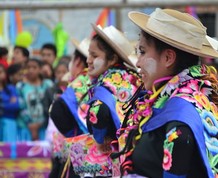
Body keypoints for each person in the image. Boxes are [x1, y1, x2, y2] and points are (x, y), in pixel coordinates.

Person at [111, 8, 218, 178]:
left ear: (168, 58)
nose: (137, 62)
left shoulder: (180, 120)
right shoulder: (188, 100)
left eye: (143, 52)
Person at [65, 25, 140, 177]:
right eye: (88, 55)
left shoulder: (106, 83)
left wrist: (101, 136)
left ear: (112, 59)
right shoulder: (131, 77)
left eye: (94, 55)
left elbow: (98, 111)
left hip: (110, 159)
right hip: (132, 154)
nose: (88, 60)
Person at [49, 38, 90, 178]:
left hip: (78, 152)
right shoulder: (102, 82)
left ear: (77, 61)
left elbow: (57, 111)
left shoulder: (79, 84)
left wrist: (71, 134)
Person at [16, 58, 53, 141]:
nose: (31, 70)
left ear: (40, 69)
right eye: (28, 67)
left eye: (34, 67)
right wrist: (31, 125)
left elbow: (52, 105)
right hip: (26, 128)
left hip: (45, 127)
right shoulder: (21, 86)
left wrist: (41, 123)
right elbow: (21, 107)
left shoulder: (48, 84)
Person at [0, 64, 19, 142]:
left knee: (9, 150)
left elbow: (15, 106)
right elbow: (11, 105)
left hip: (10, 123)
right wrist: (8, 103)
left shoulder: (11, 89)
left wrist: (1, 106)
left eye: (1, 72)